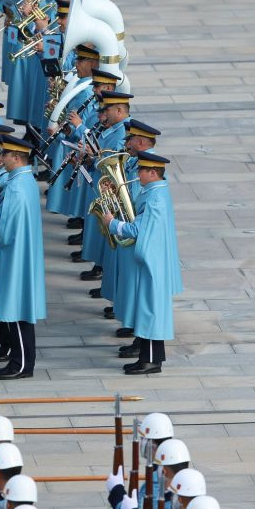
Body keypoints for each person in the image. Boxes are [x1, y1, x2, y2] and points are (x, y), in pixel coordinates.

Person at [100, 151, 180, 375]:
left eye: (141, 171)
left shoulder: (155, 199)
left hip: (151, 263)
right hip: (150, 261)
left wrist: (112, 223)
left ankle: (152, 360)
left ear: (152, 173)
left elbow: (137, 229)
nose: (137, 174)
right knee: (147, 310)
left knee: (152, 310)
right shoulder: (154, 191)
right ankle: (147, 356)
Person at [0, 132, 45, 379]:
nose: (1, 158)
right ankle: (17, 361)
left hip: (14, 258)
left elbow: (2, 230)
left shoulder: (16, 188)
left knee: (17, 313)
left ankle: (22, 364)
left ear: (17, 157)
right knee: (16, 311)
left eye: (5, 154)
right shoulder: (23, 181)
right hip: (20, 255)